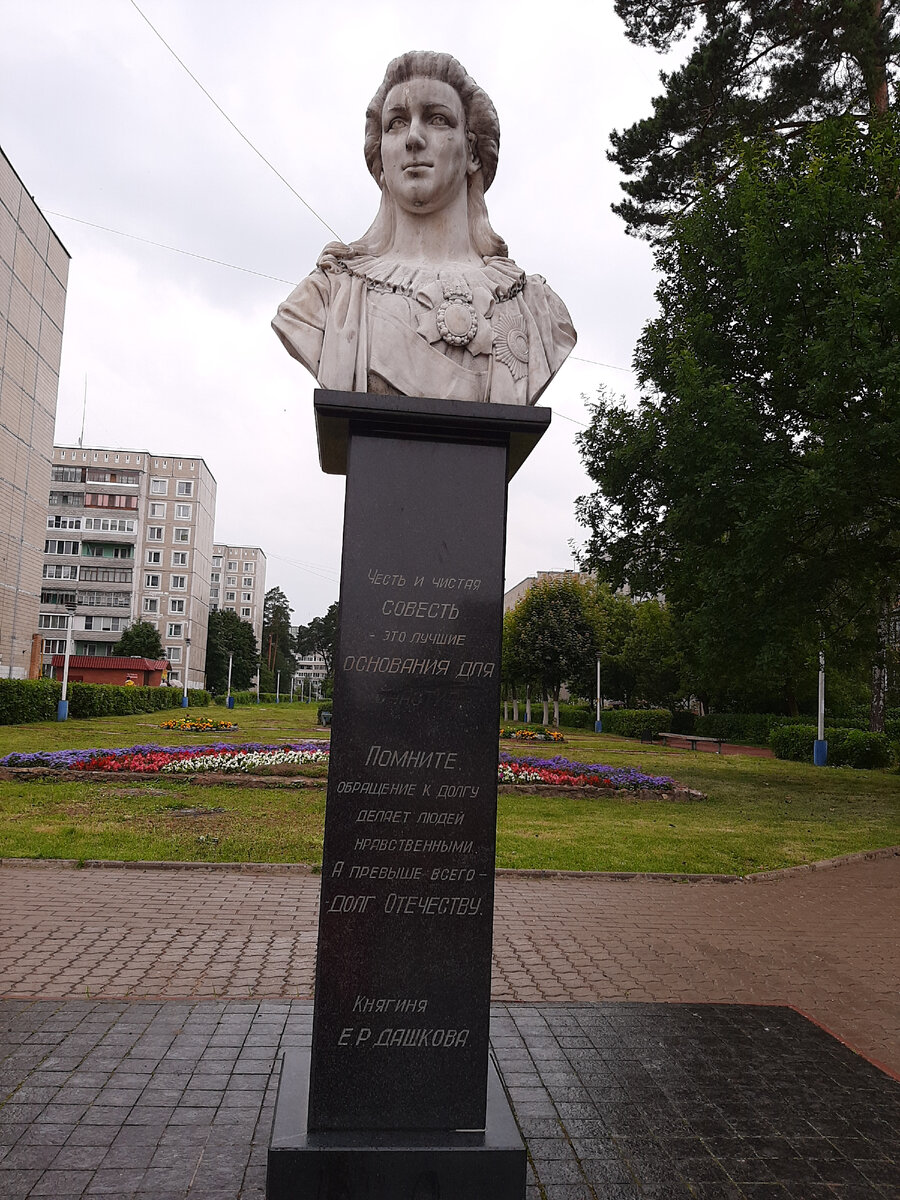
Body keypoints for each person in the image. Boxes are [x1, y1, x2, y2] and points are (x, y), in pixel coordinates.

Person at [273, 50, 576, 405]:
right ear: (381, 157)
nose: (413, 138)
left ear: (473, 152)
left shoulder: (534, 307)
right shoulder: (326, 296)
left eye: (437, 119)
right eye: (396, 123)